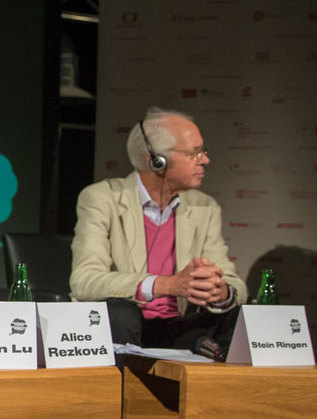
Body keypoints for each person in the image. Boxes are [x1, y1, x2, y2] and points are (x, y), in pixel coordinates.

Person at [69, 107, 245, 349]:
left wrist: (220, 291)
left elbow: (233, 281)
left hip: (180, 325)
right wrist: (167, 284)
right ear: (157, 161)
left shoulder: (205, 206)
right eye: (194, 153)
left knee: (238, 315)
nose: (204, 160)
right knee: (119, 314)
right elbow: (84, 280)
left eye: (202, 152)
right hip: (127, 323)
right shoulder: (101, 198)